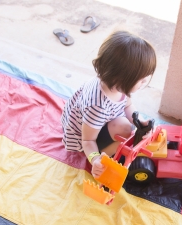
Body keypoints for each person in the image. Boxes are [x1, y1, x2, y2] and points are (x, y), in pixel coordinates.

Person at [61, 30, 157, 178]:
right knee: (125, 130)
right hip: (85, 139)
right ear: (122, 78)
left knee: (127, 125)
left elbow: (127, 106)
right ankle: (107, 155)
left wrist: (139, 121)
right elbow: (87, 140)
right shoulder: (97, 106)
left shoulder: (116, 84)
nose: (144, 83)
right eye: (142, 80)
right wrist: (95, 159)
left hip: (97, 124)